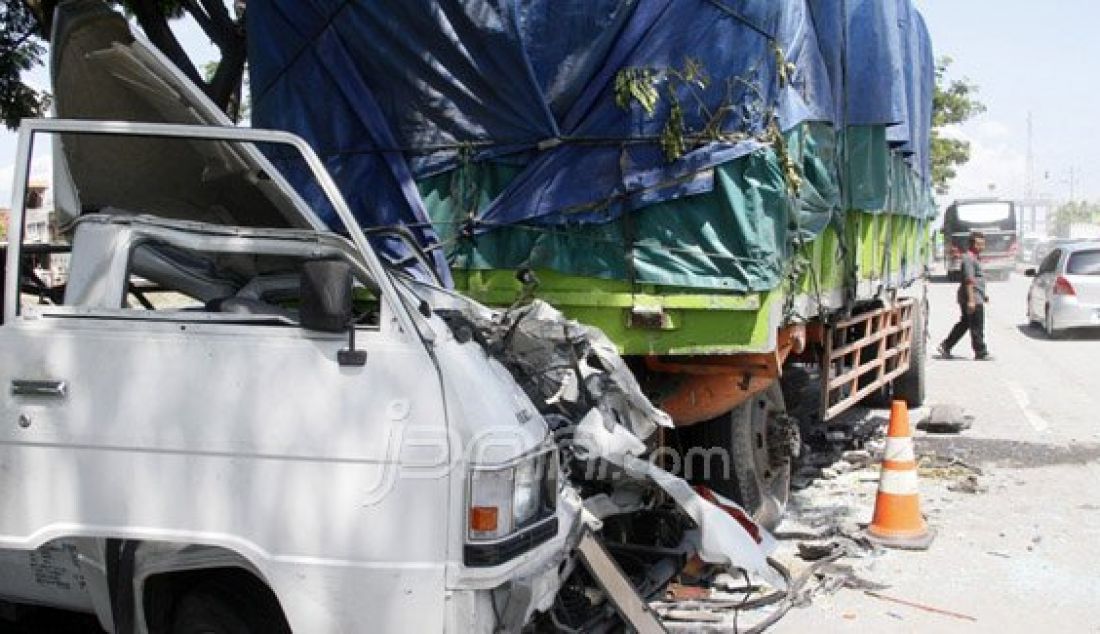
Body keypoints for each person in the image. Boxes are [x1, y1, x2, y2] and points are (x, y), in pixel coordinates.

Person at [938, 231, 992, 360]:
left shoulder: (975, 258)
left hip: (976, 296)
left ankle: (946, 345)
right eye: (979, 244)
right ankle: (981, 352)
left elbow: (976, 279)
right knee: (977, 326)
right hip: (971, 298)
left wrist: (983, 295)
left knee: (965, 324)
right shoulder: (968, 258)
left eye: (983, 244)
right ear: (972, 244)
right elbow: (968, 280)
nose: (982, 247)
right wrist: (972, 300)